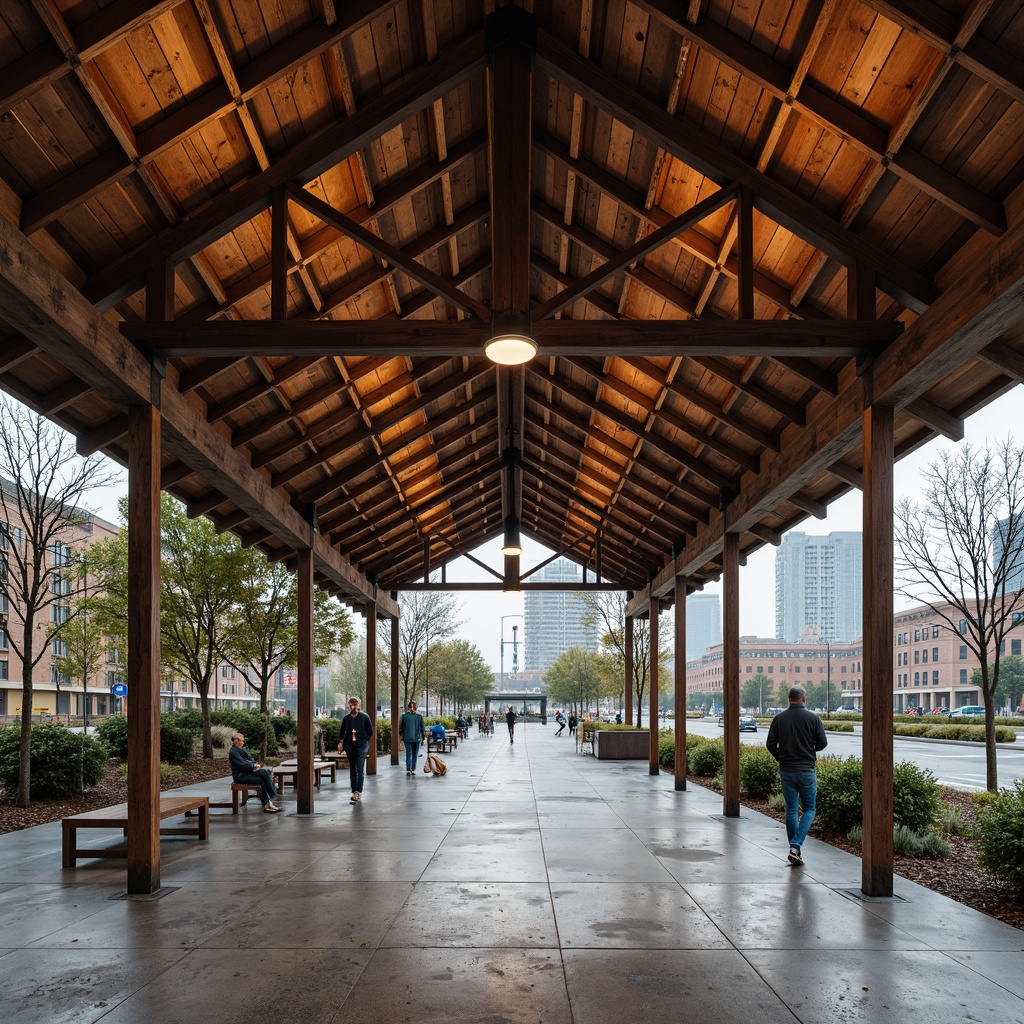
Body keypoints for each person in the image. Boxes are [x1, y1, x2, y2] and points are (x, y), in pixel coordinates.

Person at [766, 685, 828, 866]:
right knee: (809, 808)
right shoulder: (813, 718)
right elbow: (822, 743)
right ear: (804, 699)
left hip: (786, 769)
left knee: (791, 809)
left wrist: (781, 756)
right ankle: (795, 845)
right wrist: (809, 749)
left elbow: (770, 744)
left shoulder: (779, 719)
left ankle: (795, 851)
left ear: (789, 699)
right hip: (806, 769)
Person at [229, 733, 281, 813]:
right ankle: (272, 795)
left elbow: (249, 759)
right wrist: (253, 765)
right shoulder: (233, 752)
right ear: (236, 741)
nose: (243, 742)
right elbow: (242, 764)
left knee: (265, 773)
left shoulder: (242, 749)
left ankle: (268, 803)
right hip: (240, 776)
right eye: (242, 741)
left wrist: (255, 766)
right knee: (262, 778)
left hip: (248, 772)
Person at [339, 697, 374, 803]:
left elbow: (370, 731)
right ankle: (354, 790)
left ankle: (358, 792)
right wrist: (341, 743)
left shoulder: (364, 717)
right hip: (350, 746)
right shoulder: (346, 718)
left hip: (362, 746)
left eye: (355, 704)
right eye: (351, 704)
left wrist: (364, 739)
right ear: (348, 705)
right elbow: (342, 732)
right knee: (352, 769)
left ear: (358, 705)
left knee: (359, 768)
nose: (352, 706)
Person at [398, 700, 425, 777]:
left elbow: (400, 727)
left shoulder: (404, 716)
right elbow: (422, 728)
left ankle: (408, 769)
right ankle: (412, 769)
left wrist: (401, 735)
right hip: (416, 739)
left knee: (408, 754)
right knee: (414, 754)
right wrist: (423, 737)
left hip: (407, 738)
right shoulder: (419, 717)